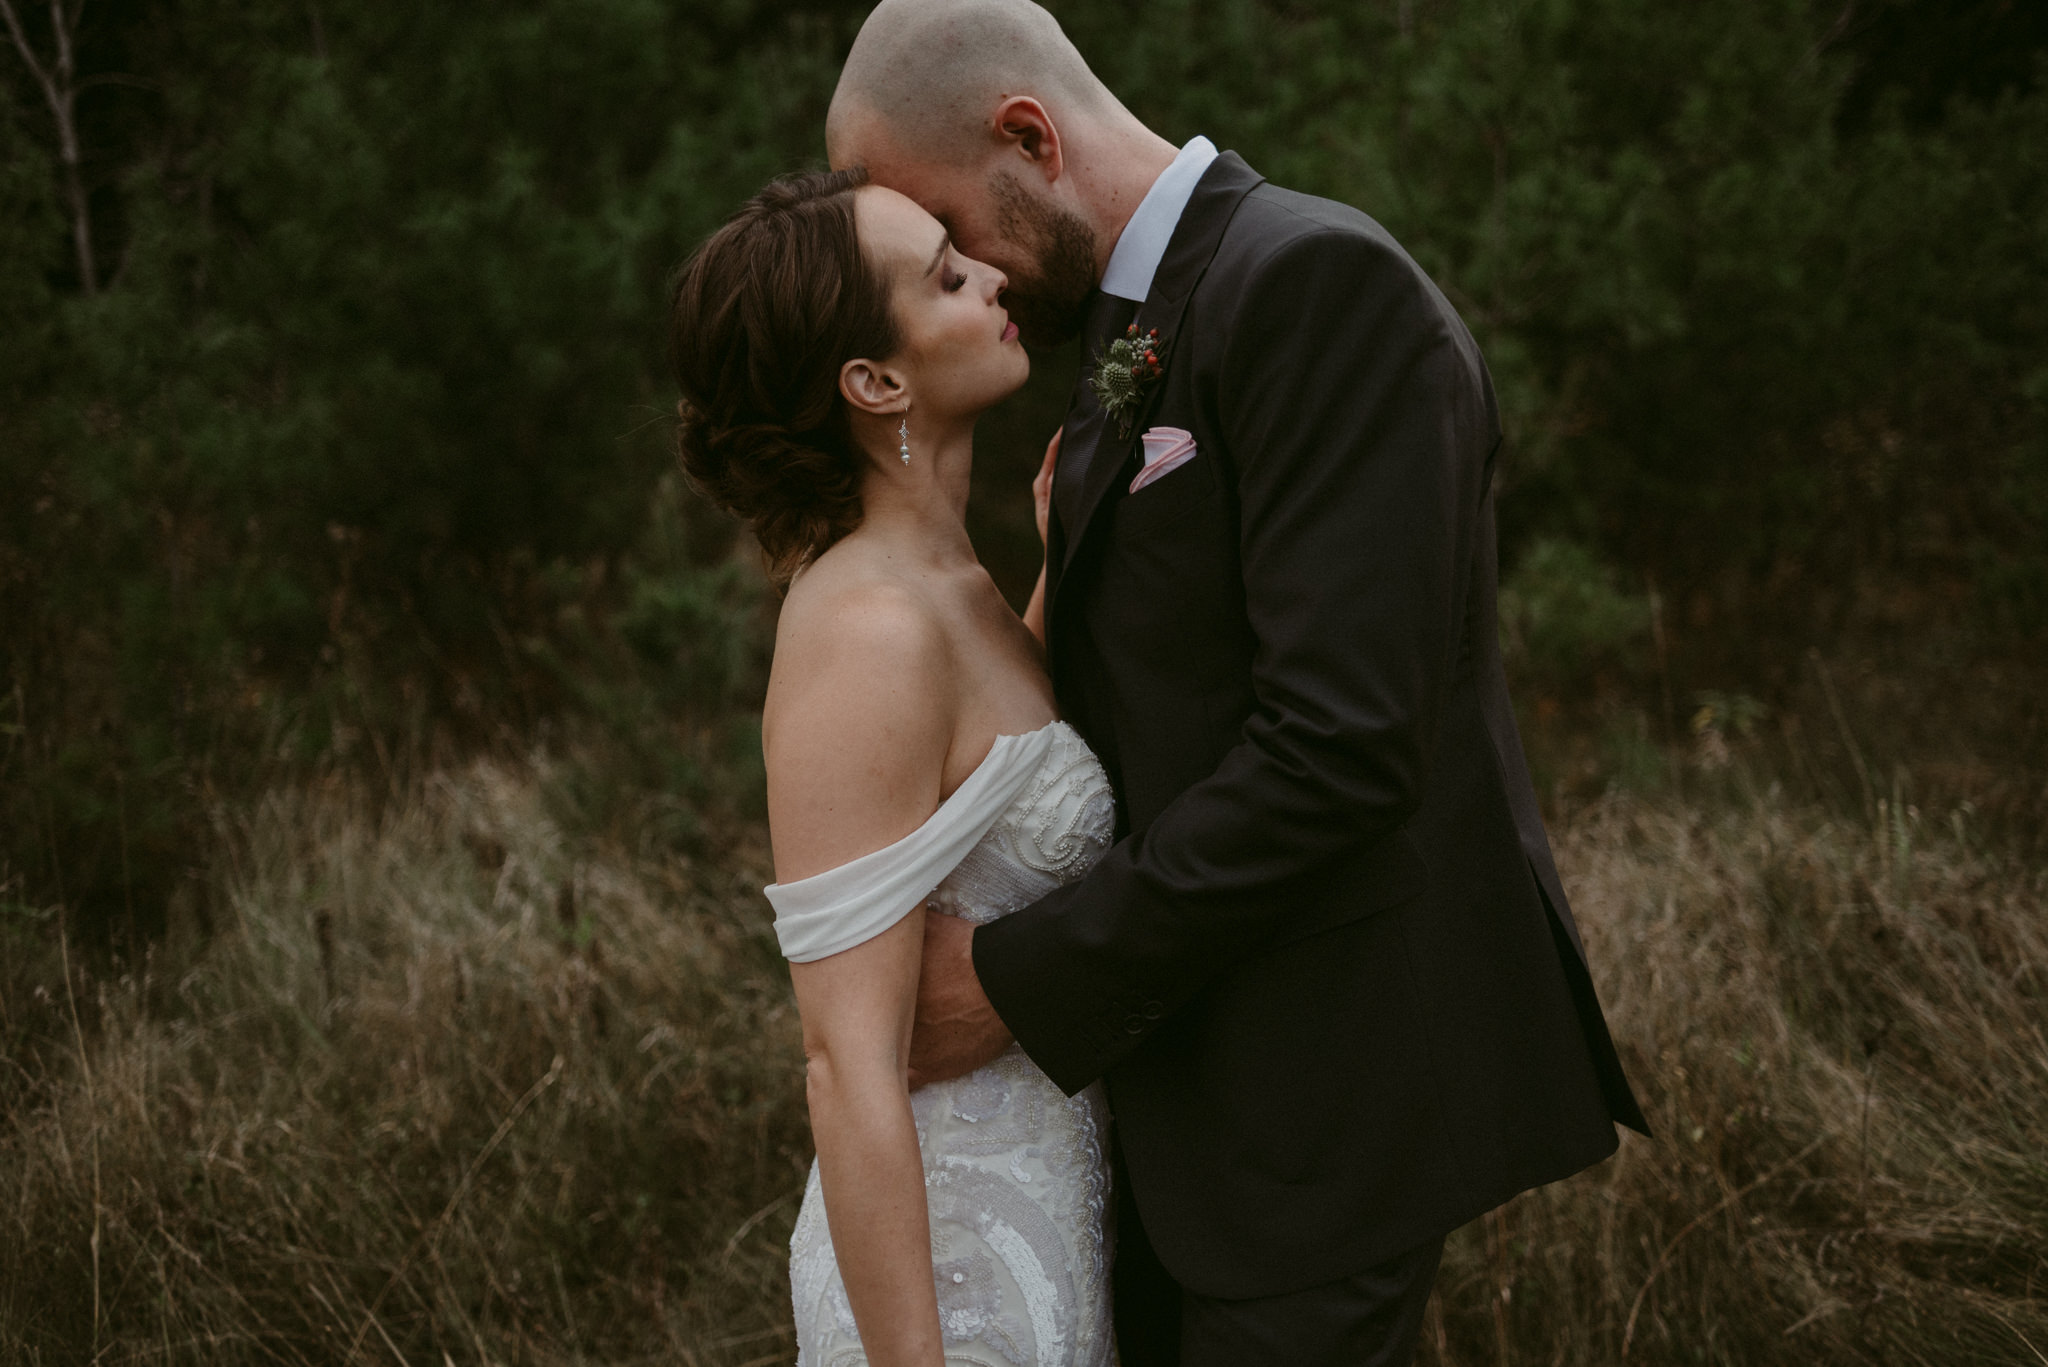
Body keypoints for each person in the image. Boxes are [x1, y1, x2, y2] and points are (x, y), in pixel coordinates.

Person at [823, 2, 1652, 1366]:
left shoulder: (1319, 286)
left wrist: (1021, 978)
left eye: (956, 230)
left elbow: (1342, 744)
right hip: (1187, 1110)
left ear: (1028, 136)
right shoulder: (1134, 328)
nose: (974, 276)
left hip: (1320, 1113)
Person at [669, 169, 1119, 1366]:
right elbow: (845, 1061)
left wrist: (1060, 563)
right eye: (944, 275)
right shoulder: (862, 628)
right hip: (948, 1268)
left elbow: (993, 783)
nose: (991, 277)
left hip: (1048, 1221)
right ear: (872, 381)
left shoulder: (952, 586)